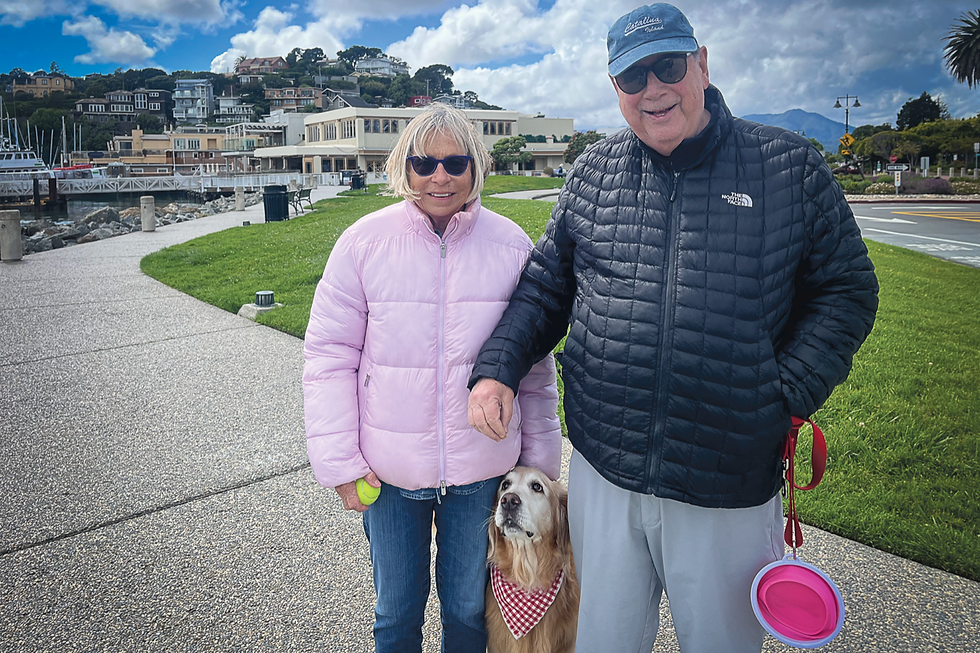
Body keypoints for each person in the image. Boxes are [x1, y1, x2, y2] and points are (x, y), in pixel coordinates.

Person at [467, 4, 879, 652]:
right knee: (603, 639)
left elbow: (849, 291)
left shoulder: (790, 167)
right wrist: (497, 367)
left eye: (668, 66)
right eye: (634, 77)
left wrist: (778, 393)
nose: (654, 89)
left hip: (727, 477)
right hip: (606, 472)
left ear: (702, 64)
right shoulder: (592, 173)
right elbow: (547, 285)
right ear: (616, 90)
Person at [302, 102, 562, 653]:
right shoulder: (363, 242)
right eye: (424, 162)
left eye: (454, 161)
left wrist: (539, 463)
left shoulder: (513, 244)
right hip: (390, 475)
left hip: (482, 471)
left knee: (469, 614)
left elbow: (534, 364)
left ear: (475, 166)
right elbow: (328, 357)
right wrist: (342, 464)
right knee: (395, 616)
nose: (439, 176)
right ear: (405, 167)